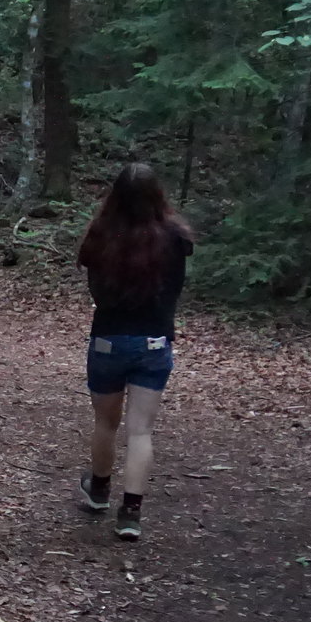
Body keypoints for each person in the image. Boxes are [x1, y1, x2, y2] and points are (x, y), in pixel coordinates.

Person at [74, 163, 195, 541]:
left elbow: (98, 293)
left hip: (109, 339)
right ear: (157, 195)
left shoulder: (101, 234)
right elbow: (174, 290)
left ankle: (98, 491)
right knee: (140, 430)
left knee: (106, 423)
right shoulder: (175, 237)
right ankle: (130, 513)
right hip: (155, 342)